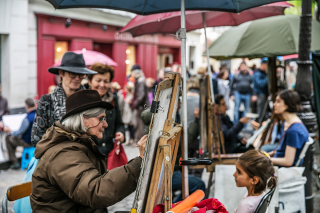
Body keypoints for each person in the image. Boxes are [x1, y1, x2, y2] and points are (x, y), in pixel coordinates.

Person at [30, 90, 147, 212]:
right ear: (83, 119)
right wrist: (139, 163)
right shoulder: (63, 153)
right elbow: (96, 191)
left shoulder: (79, 144)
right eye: (101, 119)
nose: (105, 124)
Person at [31, 52, 97, 146]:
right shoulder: (46, 101)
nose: (77, 78)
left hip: (84, 155)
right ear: (61, 73)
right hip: (55, 157)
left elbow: (95, 132)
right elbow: (36, 138)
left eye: (81, 74)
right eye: (73, 74)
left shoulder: (89, 100)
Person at [88, 63, 126, 157]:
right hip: (90, 153)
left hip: (109, 154)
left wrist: (120, 133)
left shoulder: (113, 99)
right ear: (89, 81)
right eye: (98, 80)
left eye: (106, 81)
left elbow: (119, 123)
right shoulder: (83, 100)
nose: (102, 85)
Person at [270, 90, 309, 167]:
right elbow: (282, 150)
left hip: (281, 169)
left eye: (278, 102)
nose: (274, 104)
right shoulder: (287, 123)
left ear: (288, 104)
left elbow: (288, 161)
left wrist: (265, 159)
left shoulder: (294, 130)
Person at [4, 98, 36, 169]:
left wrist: (10, 130)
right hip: (38, 140)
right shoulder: (40, 115)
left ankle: (14, 162)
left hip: (28, 142)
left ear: (26, 106)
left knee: (8, 138)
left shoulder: (27, 119)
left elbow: (18, 133)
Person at [131, 64, 149, 144]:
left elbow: (141, 96)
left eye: (132, 72)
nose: (131, 74)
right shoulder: (140, 79)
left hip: (140, 107)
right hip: (141, 106)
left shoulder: (140, 80)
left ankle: (140, 141)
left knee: (139, 125)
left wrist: (134, 104)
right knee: (139, 125)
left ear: (135, 72)